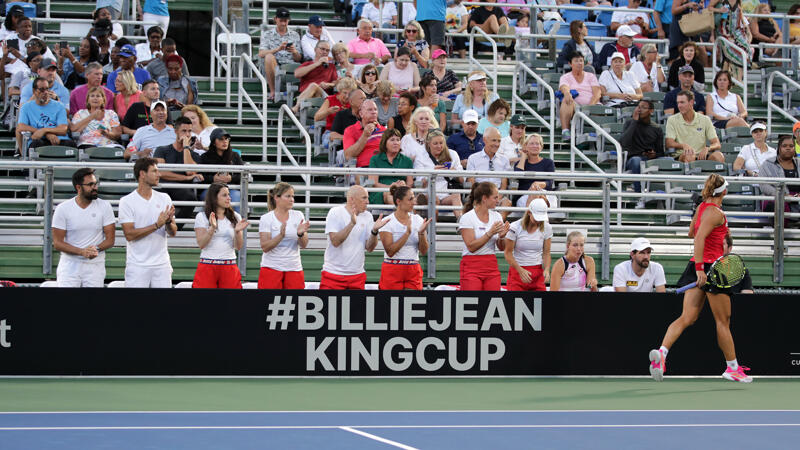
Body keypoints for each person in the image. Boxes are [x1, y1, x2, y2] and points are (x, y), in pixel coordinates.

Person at [649, 174, 753, 383]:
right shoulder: (716, 213)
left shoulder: (702, 208)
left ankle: (662, 354)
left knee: (687, 317)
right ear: (723, 191)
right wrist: (700, 270)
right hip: (712, 268)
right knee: (723, 321)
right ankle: (732, 368)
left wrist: (713, 232)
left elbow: (691, 232)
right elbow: (698, 238)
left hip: (699, 265)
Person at [52, 168, 116, 287]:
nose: (95, 187)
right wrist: (82, 252)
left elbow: (110, 240)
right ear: (78, 187)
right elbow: (57, 243)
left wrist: (94, 249)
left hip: (95, 265)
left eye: (95, 184)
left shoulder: (105, 206)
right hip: (69, 265)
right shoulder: (63, 208)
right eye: (90, 184)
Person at [119, 157, 177, 287]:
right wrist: (156, 225)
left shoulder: (164, 198)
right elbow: (129, 235)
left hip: (162, 264)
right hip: (137, 265)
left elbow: (173, 232)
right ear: (142, 174)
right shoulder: (127, 201)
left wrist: (167, 222)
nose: (159, 174)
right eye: (154, 171)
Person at [320, 185, 390, 289]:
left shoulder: (367, 216)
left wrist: (374, 232)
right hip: (333, 274)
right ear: (352, 199)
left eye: (368, 198)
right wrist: (351, 224)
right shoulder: (335, 212)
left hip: (357, 275)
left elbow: (370, 248)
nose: (368, 202)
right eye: (364, 198)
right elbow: (335, 242)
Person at [193, 183, 249, 289]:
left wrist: (237, 232)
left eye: (228, 194)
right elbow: (201, 244)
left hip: (229, 264)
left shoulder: (235, 216)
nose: (229, 198)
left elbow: (238, 246)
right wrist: (212, 228)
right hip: (207, 264)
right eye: (224, 195)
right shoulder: (202, 216)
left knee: (231, 303)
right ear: (214, 197)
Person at [378, 184, 432, 290]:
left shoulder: (418, 220)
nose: (414, 202)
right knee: (389, 305)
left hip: (413, 268)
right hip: (392, 268)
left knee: (413, 304)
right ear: (399, 201)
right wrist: (406, 234)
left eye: (414, 198)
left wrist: (421, 234)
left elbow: (424, 251)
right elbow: (390, 251)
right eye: (410, 199)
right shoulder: (388, 221)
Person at [152, 116, 204, 227]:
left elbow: (190, 171)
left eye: (190, 131)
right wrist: (185, 178)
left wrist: (186, 148)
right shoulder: (161, 150)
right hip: (163, 186)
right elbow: (162, 172)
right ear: (176, 131)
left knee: (191, 198)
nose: (187, 134)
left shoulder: (193, 155)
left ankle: (175, 227)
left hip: (183, 190)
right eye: (184, 131)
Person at [258, 182, 311, 289]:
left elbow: (304, 245)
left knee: (295, 304)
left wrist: (300, 234)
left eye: (293, 196)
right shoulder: (266, 218)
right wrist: (281, 236)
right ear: (277, 198)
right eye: (288, 196)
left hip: (294, 268)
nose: (292, 199)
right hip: (271, 268)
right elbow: (265, 247)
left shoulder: (298, 215)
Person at [458, 181, 509, 290]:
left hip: (491, 264)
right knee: (472, 303)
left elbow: (501, 247)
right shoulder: (467, 217)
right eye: (495, 198)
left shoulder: (497, 217)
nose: (498, 200)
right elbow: (471, 247)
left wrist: (502, 237)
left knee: (492, 301)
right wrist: (490, 233)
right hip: (471, 265)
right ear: (484, 198)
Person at [413, 128, 463, 219]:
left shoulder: (453, 154)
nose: (439, 146)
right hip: (428, 193)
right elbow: (420, 183)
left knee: (456, 195)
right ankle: (433, 230)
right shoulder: (421, 157)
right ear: (429, 144)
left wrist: (452, 172)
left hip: (445, 194)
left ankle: (461, 223)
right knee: (433, 198)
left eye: (441, 143)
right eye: (435, 143)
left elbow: (462, 179)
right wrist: (432, 173)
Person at [503, 198, 552, 291]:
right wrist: (520, 270)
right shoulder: (515, 227)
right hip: (517, 272)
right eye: (537, 217)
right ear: (529, 213)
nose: (539, 221)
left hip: (537, 273)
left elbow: (547, 253)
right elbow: (507, 253)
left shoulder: (547, 227)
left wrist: (546, 269)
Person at [17, 77, 74, 153]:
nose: (46, 92)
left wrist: (44, 131)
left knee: (71, 145)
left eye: (47, 89)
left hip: (58, 139)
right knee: (36, 145)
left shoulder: (59, 106)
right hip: (38, 140)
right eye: (42, 90)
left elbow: (63, 129)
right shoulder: (26, 107)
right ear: (34, 91)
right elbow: (21, 127)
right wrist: (47, 135)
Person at [620, 99, 664, 196]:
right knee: (637, 160)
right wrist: (634, 121)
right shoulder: (630, 123)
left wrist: (654, 154)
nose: (640, 110)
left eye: (644, 108)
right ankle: (639, 194)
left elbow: (661, 152)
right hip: (632, 159)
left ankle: (665, 192)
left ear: (651, 111)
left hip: (650, 159)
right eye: (639, 107)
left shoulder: (656, 128)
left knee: (668, 160)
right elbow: (624, 143)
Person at [467, 127, 513, 219]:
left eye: (499, 141)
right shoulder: (473, 158)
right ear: (485, 140)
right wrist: (482, 198)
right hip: (480, 196)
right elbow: (471, 182)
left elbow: (504, 184)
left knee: (507, 203)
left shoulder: (504, 160)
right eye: (494, 140)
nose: (497, 144)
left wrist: (496, 198)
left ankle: (497, 226)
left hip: (497, 195)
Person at [258, 7, 302, 101]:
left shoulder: (295, 35)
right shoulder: (267, 34)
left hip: (290, 65)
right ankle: (273, 91)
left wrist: (294, 52)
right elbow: (261, 53)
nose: (283, 23)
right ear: (275, 19)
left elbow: (298, 58)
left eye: (285, 20)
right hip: (274, 64)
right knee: (269, 57)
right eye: (281, 20)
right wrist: (277, 49)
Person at [666, 90, 722, 163]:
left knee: (719, 156)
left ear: (691, 102)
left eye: (682, 102)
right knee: (689, 155)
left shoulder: (705, 119)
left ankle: (712, 174)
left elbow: (717, 144)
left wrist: (708, 148)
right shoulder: (672, 120)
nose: (679, 105)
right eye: (678, 103)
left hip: (701, 156)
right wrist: (683, 145)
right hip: (682, 156)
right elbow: (669, 143)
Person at [197, 128, 245, 210]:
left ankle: (237, 222)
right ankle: (211, 222)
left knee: (236, 198)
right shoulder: (205, 157)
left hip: (230, 189)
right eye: (221, 139)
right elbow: (199, 176)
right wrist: (213, 178)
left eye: (226, 139)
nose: (225, 141)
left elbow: (243, 174)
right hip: (210, 189)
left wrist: (231, 178)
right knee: (210, 200)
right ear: (214, 143)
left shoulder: (235, 155)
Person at [559, 52, 602, 141]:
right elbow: (564, 87)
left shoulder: (591, 76)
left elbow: (597, 93)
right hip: (576, 106)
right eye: (576, 61)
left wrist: (589, 106)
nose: (579, 63)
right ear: (570, 64)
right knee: (566, 100)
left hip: (592, 105)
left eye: (581, 61)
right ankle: (565, 131)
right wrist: (567, 94)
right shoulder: (566, 77)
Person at [290, 41, 338, 114]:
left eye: (327, 50)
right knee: (313, 86)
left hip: (322, 96)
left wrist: (329, 85)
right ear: (315, 49)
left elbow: (336, 82)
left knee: (313, 85)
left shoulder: (331, 67)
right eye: (322, 49)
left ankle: (296, 108)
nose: (325, 52)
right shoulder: (307, 64)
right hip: (306, 94)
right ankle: (299, 107)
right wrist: (317, 64)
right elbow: (297, 74)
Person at [368, 128, 414, 205]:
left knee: (407, 197)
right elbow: (374, 183)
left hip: (401, 192)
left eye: (398, 140)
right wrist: (391, 187)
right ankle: (401, 215)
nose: (396, 143)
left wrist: (403, 185)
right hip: (381, 192)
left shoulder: (407, 160)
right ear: (385, 142)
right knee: (389, 195)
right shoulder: (375, 159)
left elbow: (410, 183)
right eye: (392, 140)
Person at [759, 135, 800, 216]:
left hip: (797, 198)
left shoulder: (799, 163)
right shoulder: (767, 164)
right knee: (778, 203)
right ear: (779, 148)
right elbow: (763, 185)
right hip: (776, 197)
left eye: (791, 146)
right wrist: (782, 195)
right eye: (784, 146)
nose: (788, 148)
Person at [514, 133, 557, 210]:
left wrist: (536, 185)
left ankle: (528, 217)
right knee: (536, 196)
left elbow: (549, 183)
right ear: (526, 146)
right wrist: (523, 156)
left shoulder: (548, 162)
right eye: (531, 143)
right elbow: (517, 175)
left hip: (545, 193)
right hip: (525, 196)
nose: (535, 146)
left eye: (537, 144)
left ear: (541, 147)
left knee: (536, 193)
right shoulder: (520, 163)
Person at [344, 99, 387, 167]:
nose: (374, 112)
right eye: (370, 110)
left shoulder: (384, 130)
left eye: (375, 109)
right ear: (361, 114)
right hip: (365, 168)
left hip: (384, 167)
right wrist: (365, 135)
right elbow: (348, 155)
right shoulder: (350, 130)